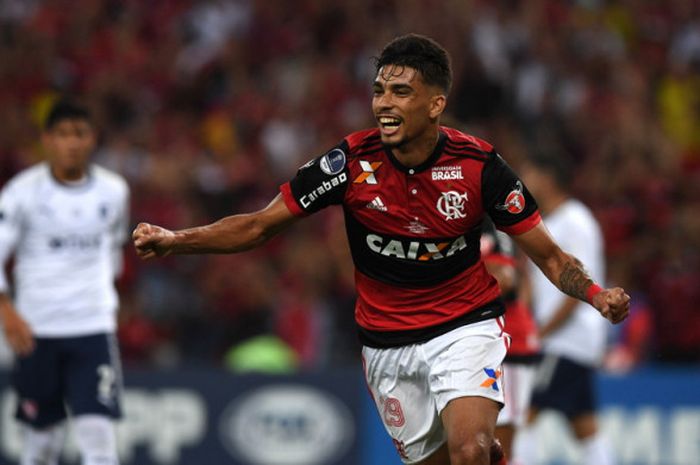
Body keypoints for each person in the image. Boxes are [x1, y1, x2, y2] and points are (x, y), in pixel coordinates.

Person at [132, 34, 630, 465]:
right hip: (387, 344)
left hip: (465, 325)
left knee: (473, 448)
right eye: (378, 91)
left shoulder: (480, 167)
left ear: (435, 104)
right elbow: (260, 227)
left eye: (400, 91)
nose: (383, 104)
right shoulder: (347, 163)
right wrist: (179, 240)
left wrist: (594, 293)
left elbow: (549, 256)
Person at [0, 99, 130, 465]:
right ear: (47, 140)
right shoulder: (21, 193)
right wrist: (6, 311)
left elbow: (114, 251)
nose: (72, 143)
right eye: (63, 134)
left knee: (100, 444)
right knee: (42, 446)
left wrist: (107, 299)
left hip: (92, 328)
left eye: (80, 134)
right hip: (36, 330)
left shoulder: (114, 191)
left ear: (93, 139)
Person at [516, 154, 615, 465]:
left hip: (566, 340)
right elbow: (534, 284)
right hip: (564, 340)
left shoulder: (576, 220)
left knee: (523, 413)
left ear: (548, 177)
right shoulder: (547, 223)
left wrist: (541, 332)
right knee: (584, 426)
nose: (525, 179)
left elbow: (579, 286)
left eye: (530, 171)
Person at [480, 219, 540, 463]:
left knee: (501, 441)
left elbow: (505, 279)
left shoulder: (487, 231)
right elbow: (523, 278)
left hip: (509, 347)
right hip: (494, 341)